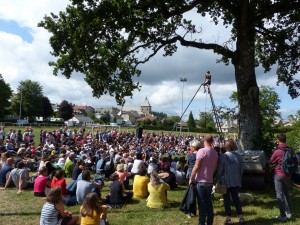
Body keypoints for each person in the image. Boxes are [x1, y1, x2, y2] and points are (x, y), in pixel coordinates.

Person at [189, 135, 218, 225]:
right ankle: (210, 222)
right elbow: (215, 167)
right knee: (209, 203)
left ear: (204, 141)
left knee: (201, 203)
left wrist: (191, 178)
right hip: (209, 180)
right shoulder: (215, 153)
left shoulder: (201, 151)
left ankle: (201, 223)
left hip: (201, 181)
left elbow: (196, 166)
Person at [217, 139, 245, 225]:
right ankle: (241, 217)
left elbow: (220, 169)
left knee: (227, 199)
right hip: (236, 180)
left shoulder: (223, 156)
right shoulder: (239, 156)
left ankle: (228, 218)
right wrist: (239, 178)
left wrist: (217, 177)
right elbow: (241, 170)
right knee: (236, 198)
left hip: (226, 180)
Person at [270, 133, 293, 222]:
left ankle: (282, 215)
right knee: (286, 193)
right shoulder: (290, 149)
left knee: (279, 194)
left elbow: (271, 161)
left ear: (278, 140)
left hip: (279, 174)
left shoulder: (277, 151)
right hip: (288, 175)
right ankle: (289, 212)